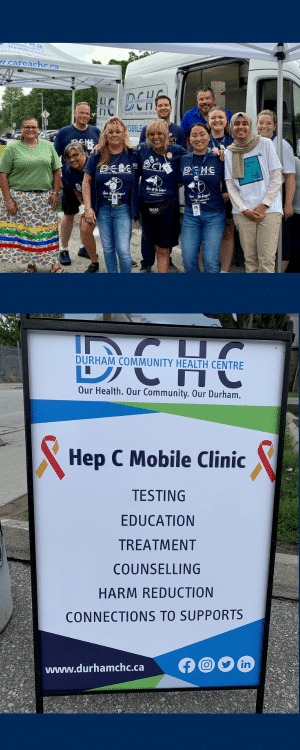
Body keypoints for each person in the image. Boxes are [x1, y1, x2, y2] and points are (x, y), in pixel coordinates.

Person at [0, 117, 63, 273]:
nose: (30, 129)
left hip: (45, 198)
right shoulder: (12, 149)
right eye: (27, 127)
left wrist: (56, 192)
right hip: (20, 200)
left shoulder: (48, 147)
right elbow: (3, 175)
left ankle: (54, 264)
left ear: (38, 129)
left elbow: (57, 170)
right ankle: (31, 264)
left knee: (49, 231)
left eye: (33, 127)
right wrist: (8, 200)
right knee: (27, 233)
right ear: (21, 129)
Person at [224, 112, 283, 274]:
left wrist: (264, 205)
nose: (241, 127)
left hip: (269, 211)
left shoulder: (264, 144)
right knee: (250, 260)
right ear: (231, 127)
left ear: (250, 126)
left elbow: (277, 176)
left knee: (266, 260)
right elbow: (231, 185)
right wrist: (244, 210)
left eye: (245, 123)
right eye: (237, 123)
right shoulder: (230, 152)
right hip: (243, 213)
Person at [83, 117, 139, 274]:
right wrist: (88, 207)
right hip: (103, 209)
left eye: (118, 131)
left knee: (123, 250)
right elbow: (86, 182)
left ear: (124, 134)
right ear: (105, 134)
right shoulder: (97, 155)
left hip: (123, 209)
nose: (114, 135)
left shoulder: (134, 154)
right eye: (110, 132)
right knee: (108, 249)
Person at [139, 95, 186, 274]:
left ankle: (164, 263)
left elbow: (188, 158)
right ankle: (146, 262)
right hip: (148, 201)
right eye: (152, 134)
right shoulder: (143, 146)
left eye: (160, 134)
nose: (156, 137)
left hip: (169, 200)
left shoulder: (178, 139)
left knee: (164, 242)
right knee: (147, 236)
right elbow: (129, 150)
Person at [54, 102, 100, 267]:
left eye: (87, 114)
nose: (84, 116)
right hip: (69, 182)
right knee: (69, 215)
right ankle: (64, 249)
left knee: (86, 216)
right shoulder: (64, 132)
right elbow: (55, 158)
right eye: (81, 113)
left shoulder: (95, 131)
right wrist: (58, 179)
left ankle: (84, 246)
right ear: (75, 113)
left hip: (90, 181)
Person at [179, 123, 226, 273]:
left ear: (209, 136)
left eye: (202, 134)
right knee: (188, 259)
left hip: (214, 215)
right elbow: (177, 182)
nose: (198, 138)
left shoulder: (219, 158)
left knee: (210, 262)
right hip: (190, 215)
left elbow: (228, 184)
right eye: (194, 135)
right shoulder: (184, 159)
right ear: (189, 139)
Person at [256, 109, 296, 272]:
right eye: (261, 122)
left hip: (277, 200)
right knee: (262, 243)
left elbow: (290, 177)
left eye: (268, 123)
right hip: (257, 200)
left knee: (281, 242)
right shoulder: (253, 143)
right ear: (256, 125)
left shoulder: (282, 146)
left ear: (275, 126)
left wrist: (288, 205)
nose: (264, 126)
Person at [64, 142, 99, 273]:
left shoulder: (96, 163)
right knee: (84, 228)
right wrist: (85, 206)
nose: (72, 159)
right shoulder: (69, 169)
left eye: (75, 155)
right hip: (89, 204)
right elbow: (75, 188)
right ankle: (94, 262)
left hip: (104, 202)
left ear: (83, 154)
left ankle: (123, 256)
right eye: (69, 157)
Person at [207, 106, 234, 273]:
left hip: (229, 195)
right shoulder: (201, 138)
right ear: (208, 122)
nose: (217, 120)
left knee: (228, 232)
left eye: (220, 117)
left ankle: (224, 271)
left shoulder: (234, 141)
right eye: (213, 118)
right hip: (206, 194)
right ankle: (205, 269)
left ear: (226, 121)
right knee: (205, 234)